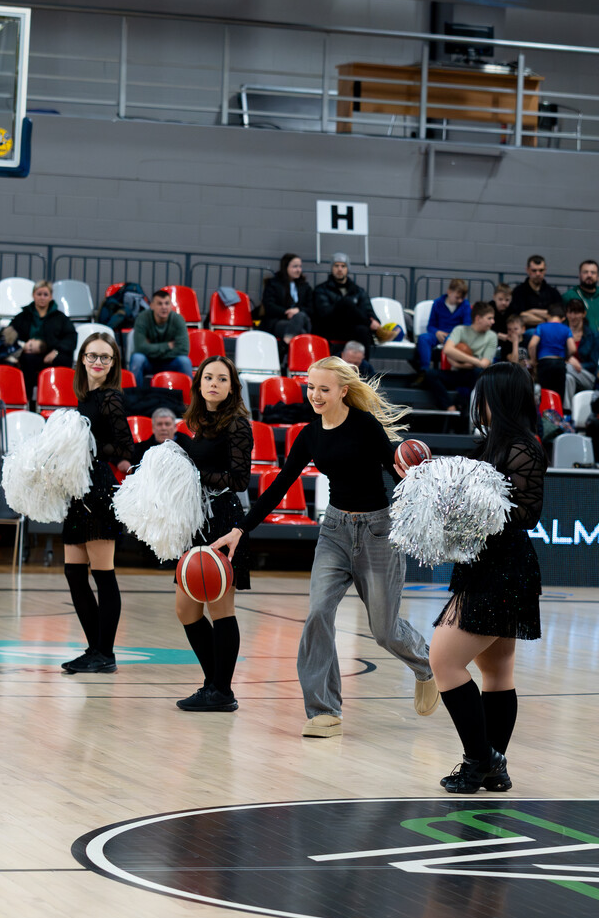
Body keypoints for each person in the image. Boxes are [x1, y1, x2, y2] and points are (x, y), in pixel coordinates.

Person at [213, 357, 437, 737]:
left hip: (377, 533)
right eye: (311, 388)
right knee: (318, 613)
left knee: (384, 631)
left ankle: (426, 666)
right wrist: (241, 529)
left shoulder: (365, 426)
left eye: (324, 389)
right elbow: (281, 484)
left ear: (343, 391)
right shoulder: (310, 434)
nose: (315, 395)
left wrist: (419, 485)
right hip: (334, 532)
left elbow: (396, 473)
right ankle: (324, 711)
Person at [430, 362, 546, 793]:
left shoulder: (523, 448)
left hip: (503, 568)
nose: (476, 403)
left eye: (483, 396)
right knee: (496, 671)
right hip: (484, 564)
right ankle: (493, 768)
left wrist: (472, 507)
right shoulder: (489, 446)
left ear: (500, 399)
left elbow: (527, 514)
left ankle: (479, 759)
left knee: (443, 661)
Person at [172, 356, 253, 713]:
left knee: (221, 609)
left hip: (223, 521)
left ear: (232, 387)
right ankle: (214, 684)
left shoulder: (237, 425)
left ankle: (221, 689)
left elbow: (240, 480)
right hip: (197, 519)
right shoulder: (196, 423)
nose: (214, 384)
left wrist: (191, 472)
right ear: (199, 383)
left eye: (222, 379)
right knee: (185, 609)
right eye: (208, 377)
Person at [60, 332, 135, 675]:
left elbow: (125, 448)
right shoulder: (86, 397)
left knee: (103, 574)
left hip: (99, 491)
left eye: (106, 357)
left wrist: (88, 444)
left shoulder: (111, 398)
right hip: (79, 489)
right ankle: (95, 649)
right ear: (83, 359)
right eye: (93, 356)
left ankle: (105, 652)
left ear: (114, 363)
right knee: (74, 573)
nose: (98, 362)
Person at [3, 280, 77, 403]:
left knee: (63, 358)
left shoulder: (60, 318)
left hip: (52, 355)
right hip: (28, 356)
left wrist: (56, 351)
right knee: (25, 360)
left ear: (51, 297)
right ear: (33, 295)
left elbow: (71, 337)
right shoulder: (23, 316)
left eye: (45, 294)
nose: (42, 297)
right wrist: (23, 346)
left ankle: (59, 400)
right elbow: (8, 335)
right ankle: (25, 401)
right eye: (39, 294)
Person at [426, 301, 498, 419]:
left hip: (473, 375)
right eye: (489, 318)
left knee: (479, 373)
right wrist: (474, 362)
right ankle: (449, 406)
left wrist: (458, 362)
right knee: (430, 374)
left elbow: (485, 364)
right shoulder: (460, 330)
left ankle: (465, 408)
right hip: (457, 373)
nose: (493, 322)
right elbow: (447, 349)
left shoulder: (492, 336)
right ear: (478, 318)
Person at [313, 253, 380, 355]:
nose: (339, 269)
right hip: (330, 327)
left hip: (351, 329)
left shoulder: (358, 291)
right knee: (346, 303)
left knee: (363, 330)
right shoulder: (321, 290)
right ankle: (368, 323)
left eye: (343, 266)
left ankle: (363, 364)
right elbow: (324, 313)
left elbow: (368, 311)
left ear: (348, 269)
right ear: (331, 268)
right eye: (336, 266)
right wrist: (368, 322)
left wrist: (375, 321)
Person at [130, 289, 193, 387]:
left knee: (185, 361)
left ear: (171, 305)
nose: (164, 307)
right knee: (137, 359)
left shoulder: (178, 319)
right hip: (149, 361)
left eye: (167, 303)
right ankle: (134, 395)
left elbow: (183, 349)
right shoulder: (142, 318)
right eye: (159, 304)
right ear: (152, 306)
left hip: (170, 362)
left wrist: (150, 347)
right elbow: (140, 347)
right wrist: (168, 346)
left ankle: (190, 395)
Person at [562, 260, 599, 347]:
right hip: (581, 340)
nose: (589, 275)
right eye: (585, 272)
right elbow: (562, 320)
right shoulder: (569, 296)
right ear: (579, 275)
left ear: (598, 277)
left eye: (593, 272)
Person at [416, 279, 471, 373]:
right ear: (449, 292)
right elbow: (430, 326)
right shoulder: (437, 303)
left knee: (450, 339)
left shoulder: (465, 305)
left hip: (455, 336)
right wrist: (437, 332)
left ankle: (449, 372)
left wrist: (454, 335)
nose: (460, 300)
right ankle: (424, 371)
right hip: (439, 334)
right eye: (457, 297)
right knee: (423, 338)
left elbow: (467, 326)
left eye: (462, 298)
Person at [260, 254, 314, 346]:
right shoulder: (273, 284)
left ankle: (285, 344)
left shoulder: (305, 286)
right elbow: (269, 305)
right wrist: (286, 312)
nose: (298, 270)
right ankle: (290, 345)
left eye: (300, 266)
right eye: (295, 266)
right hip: (279, 321)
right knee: (301, 331)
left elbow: (311, 308)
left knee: (300, 315)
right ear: (285, 267)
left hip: (302, 320)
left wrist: (297, 310)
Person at [528, 303, 572, 399]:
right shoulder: (566, 329)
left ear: (548, 315)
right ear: (563, 318)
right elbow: (572, 348)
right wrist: (567, 358)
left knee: (545, 394)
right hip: (559, 362)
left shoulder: (541, 327)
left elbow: (532, 345)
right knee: (558, 395)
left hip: (544, 362)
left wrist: (533, 360)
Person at [563, 298, 599, 408]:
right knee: (567, 378)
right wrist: (568, 360)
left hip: (587, 376)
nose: (572, 316)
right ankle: (568, 412)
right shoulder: (562, 332)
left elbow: (593, 363)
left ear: (584, 314)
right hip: (568, 373)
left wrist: (577, 365)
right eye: (570, 312)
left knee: (566, 367)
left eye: (576, 313)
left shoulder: (593, 335)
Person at [509, 255, 563, 328]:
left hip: (549, 331)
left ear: (545, 270)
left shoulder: (553, 293)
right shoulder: (518, 292)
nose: (538, 274)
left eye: (541, 270)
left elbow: (558, 316)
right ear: (527, 270)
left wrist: (532, 311)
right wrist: (547, 320)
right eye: (534, 270)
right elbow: (520, 317)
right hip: (527, 331)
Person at [490, 282, 515, 347]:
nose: (503, 302)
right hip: (491, 338)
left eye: (507, 300)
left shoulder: (512, 310)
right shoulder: (488, 308)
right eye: (500, 299)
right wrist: (498, 335)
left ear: (511, 299)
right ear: (494, 297)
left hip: (508, 340)